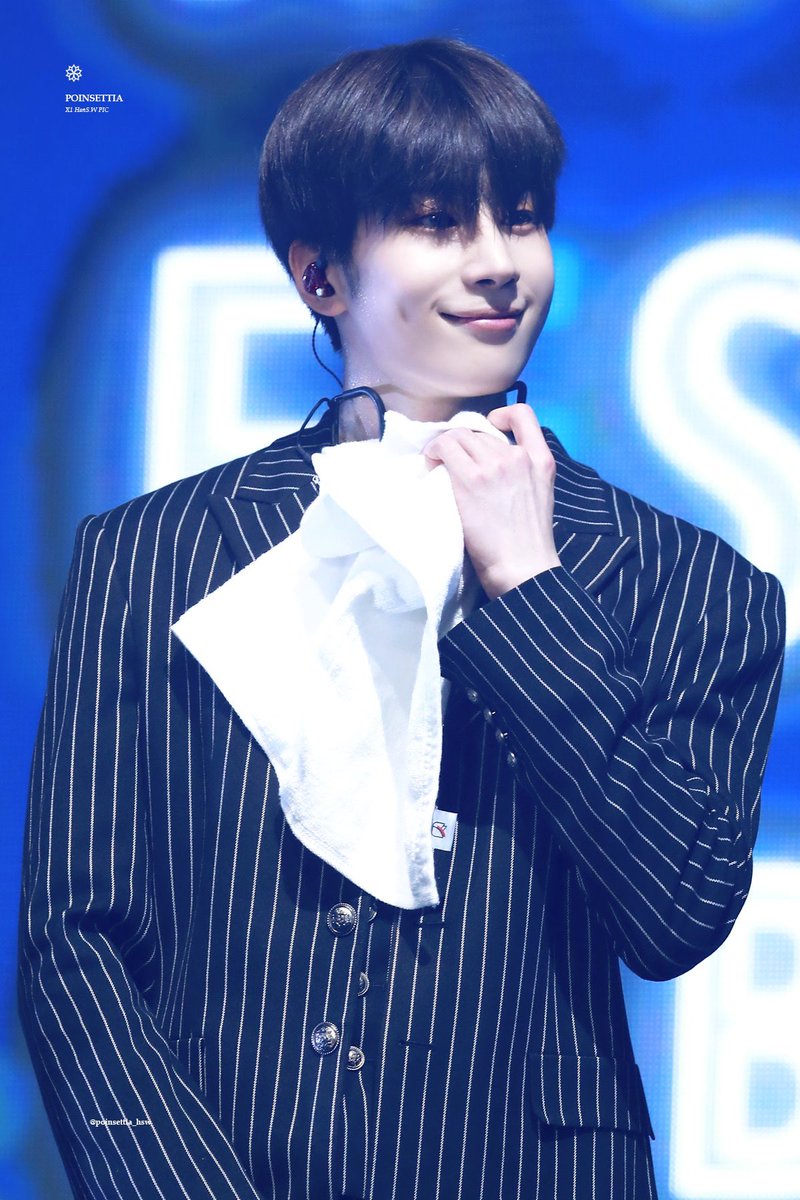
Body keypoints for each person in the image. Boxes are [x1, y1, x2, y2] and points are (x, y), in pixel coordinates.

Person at [19, 38, 785, 1200]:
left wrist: (528, 586)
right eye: (436, 221)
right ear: (320, 277)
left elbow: (675, 911)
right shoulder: (151, 555)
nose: (497, 264)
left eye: (519, 218)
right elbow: (75, 941)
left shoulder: (694, 585)